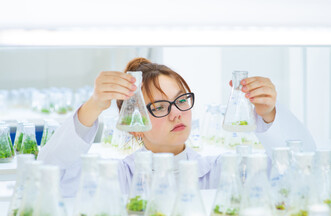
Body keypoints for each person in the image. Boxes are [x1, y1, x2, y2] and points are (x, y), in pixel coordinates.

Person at [38, 57, 316, 197]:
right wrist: (93, 105)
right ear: (134, 126)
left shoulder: (221, 171)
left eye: (181, 100)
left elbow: (303, 169)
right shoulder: (117, 179)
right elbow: (47, 177)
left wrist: (268, 114)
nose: (176, 114)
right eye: (159, 107)